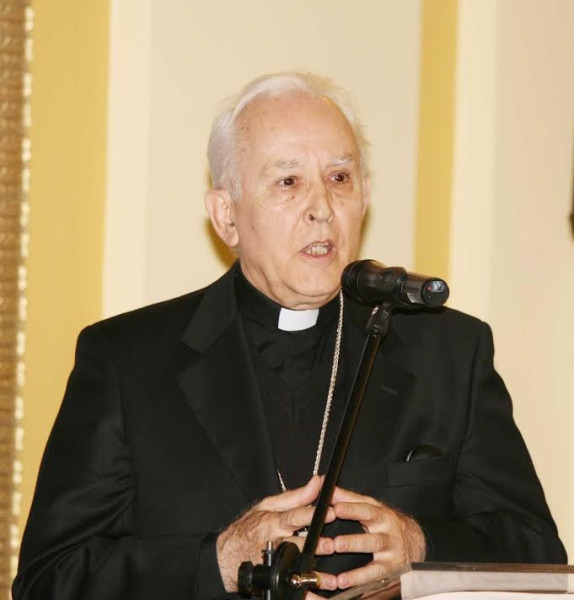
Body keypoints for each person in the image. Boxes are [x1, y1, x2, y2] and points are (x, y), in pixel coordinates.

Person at [13, 72, 566, 600]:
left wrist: (422, 548)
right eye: (288, 182)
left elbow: (537, 557)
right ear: (226, 217)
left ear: (364, 198)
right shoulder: (129, 361)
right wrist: (218, 562)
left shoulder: (449, 353)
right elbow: (49, 580)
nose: (322, 209)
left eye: (340, 178)